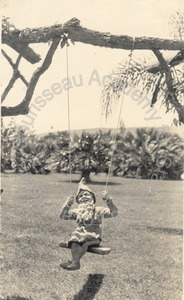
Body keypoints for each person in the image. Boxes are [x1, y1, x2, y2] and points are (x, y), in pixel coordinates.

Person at [60, 178, 118, 270]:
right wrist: (67, 205)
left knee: (84, 241)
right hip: (79, 234)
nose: (84, 197)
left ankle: (75, 262)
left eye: (87, 194)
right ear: (78, 201)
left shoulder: (98, 210)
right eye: (81, 196)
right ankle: (74, 262)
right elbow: (63, 216)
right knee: (74, 240)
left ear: (93, 198)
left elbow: (113, 213)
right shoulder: (77, 211)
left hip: (94, 235)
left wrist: (108, 201)